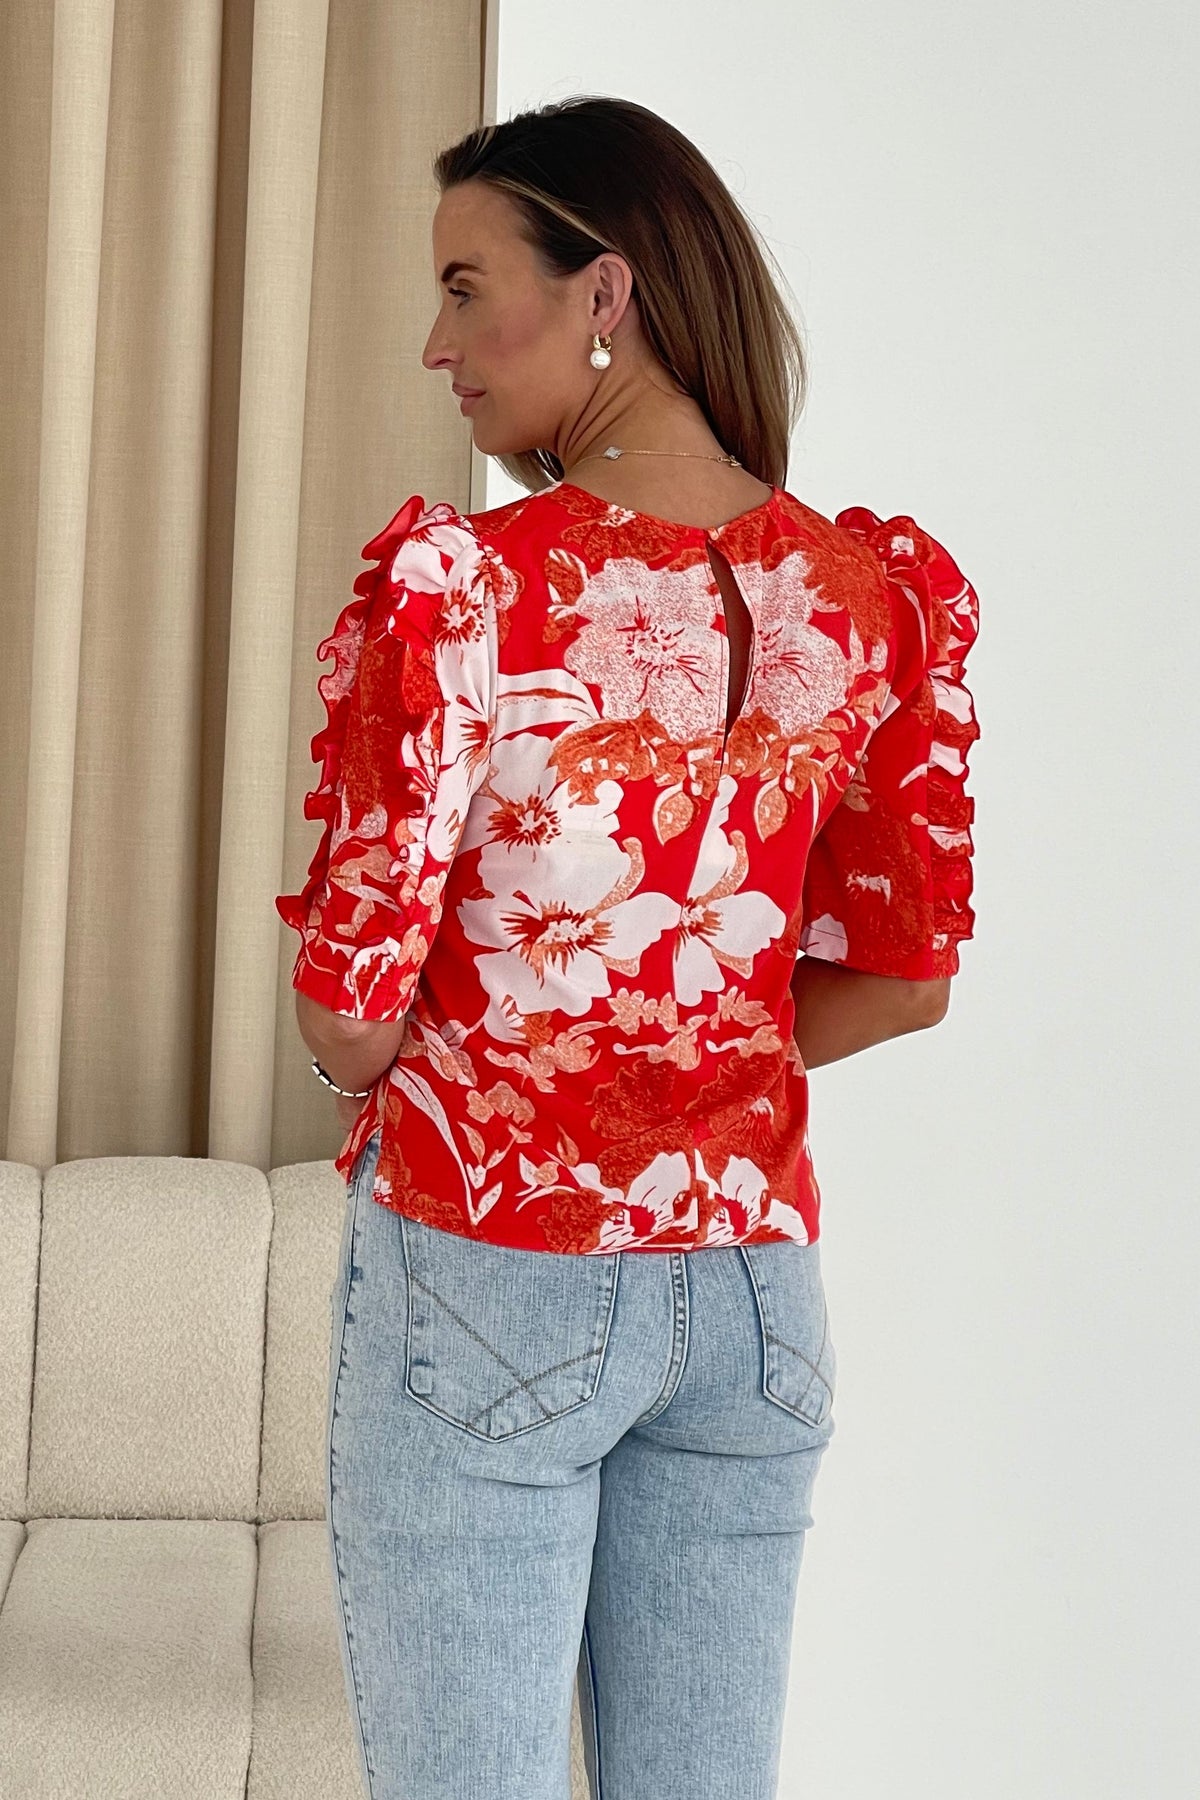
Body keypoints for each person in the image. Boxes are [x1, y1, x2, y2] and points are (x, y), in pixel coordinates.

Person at [275, 95, 981, 1800]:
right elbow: (907, 978)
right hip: (753, 1299)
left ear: (606, 291)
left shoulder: (465, 591)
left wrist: (516, 1060)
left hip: (493, 1268)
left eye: (465, 288)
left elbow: (352, 1018)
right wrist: (684, 1057)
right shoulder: (870, 594)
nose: (435, 345)